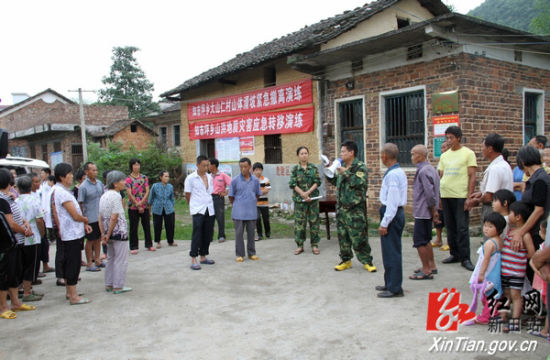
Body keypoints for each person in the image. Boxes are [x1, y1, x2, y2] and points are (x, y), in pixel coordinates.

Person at [325, 140, 376, 272]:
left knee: (359, 236)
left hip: (355, 210)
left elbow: (359, 182)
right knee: (343, 237)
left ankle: (367, 261)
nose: (341, 154)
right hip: (342, 209)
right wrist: (329, 171)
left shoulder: (360, 167)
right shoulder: (342, 166)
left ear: (351, 152)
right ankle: (346, 260)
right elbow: (337, 181)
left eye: (343, 151)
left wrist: (345, 172)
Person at [438, 126, 477, 271]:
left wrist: (469, 197)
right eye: (446, 138)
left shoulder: (468, 154)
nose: (448, 141)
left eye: (451, 138)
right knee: (450, 226)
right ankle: (454, 254)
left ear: (458, 138)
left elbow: (472, 175)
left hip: (460, 195)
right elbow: (441, 176)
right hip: (446, 194)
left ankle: (465, 257)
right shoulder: (444, 156)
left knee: (462, 228)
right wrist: (440, 197)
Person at [53, 163, 92, 305]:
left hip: (69, 233)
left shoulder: (59, 190)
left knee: (70, 262)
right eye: (69, 174)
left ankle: (70, 292)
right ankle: (74, 296)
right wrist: (85, 219)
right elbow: (75, 215)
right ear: (62, 177)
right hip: (70, 234)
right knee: (73, 264)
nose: (71, 177)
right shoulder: (62, 192)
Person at [0, 168, 35, 319]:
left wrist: (24, 222)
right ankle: (3, 307)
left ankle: (16, 303)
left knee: (14, 273)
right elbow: (10, 223)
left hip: (16, 242)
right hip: (6, 243)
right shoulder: (1, 200)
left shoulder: (9, 196)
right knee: (4, 275)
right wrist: (24, 230)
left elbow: (16, 216)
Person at [512, 145, 550, 278]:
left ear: (522, 162)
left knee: (535, 271)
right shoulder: (536, 178)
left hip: (537, 232)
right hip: (533, 230)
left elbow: (539, 210)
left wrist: (520, 232)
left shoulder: (540, 180)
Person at [467, 133, 513, 239]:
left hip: (493, 209)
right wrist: (480, 193)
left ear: (490, 149)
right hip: (503, 209)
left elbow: (489, 196)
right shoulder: (504, 165)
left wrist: (476, 200)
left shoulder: (495, 168)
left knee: (491, 241)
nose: (482, 149)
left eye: (483, 146)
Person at [376, 143, 407, 298]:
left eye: (381, 154)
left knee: (392, 252)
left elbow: (393, 202)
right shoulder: (394, 172)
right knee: (388, 252)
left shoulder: (393, 175)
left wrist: (384, 223)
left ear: (385, 156)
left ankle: (395, 288)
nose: (381, 157)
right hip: (392, 213)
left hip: (392, 214)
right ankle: (389, 283)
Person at [501, 202, 535, 332]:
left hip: (516, 271)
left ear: (518, 217)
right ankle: (503, 316)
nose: (508, 215)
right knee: (505, 293)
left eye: (510, 213)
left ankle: (515, 321)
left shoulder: (525, 235)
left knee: (515, 295)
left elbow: (531, 253)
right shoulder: (509, 230)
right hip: (505, 269)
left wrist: (519, 258)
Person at [468, 212, 505, 325]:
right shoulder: (499, 241)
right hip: (495, 272)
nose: (486, 229)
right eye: (485, 225)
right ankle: (493, 313)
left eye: (490, 226)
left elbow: (486, 260)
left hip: (488, 273)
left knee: (487, 296)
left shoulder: (489, 243)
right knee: (491, 295)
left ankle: (485, 317)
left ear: (498, 229)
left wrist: (481, 274)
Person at [99, 171, 132, 294]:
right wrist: (108, 233)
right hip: (118, 231)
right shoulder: (116, 196)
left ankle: (109, 284)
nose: (124, 183)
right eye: (122, 181)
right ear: (115, 183)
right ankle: (118, 285)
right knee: (120, 259)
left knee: (111, 258)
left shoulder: (104, 196)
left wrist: (104, 233)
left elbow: (100, 217)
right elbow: (115, 216)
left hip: (108, 231)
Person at [409, 144, 439, 280]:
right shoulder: (430, 168)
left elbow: (429, 193)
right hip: (426, 210)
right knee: (426, 239)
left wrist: (433, 210)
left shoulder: (423, 171)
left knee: (420, 240)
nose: (412, 157)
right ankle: (431, 265)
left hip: (423, 211)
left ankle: (426, 270)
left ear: (420, 156)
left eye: (413, 154)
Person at [16, 176, 45, 302]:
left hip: (19, 237)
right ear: (31, 186)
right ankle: (27, 292)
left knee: (21, 264)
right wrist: (42, 233)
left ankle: (21, 289)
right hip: (33, 237)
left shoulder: (15, 201)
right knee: (31, 265)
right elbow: (39, 219)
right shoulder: (34, 200)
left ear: (18, 188)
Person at [185, 155, 216, 270]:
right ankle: (194, 258)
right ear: (197, 165)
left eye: (207, 165)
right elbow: (187, 194)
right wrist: (193, 206)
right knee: (197, 234)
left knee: (207, 234)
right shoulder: (191, 178)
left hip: (209, 209)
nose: (206, 167)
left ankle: (203, 256)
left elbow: (210, 192)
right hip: (198, 210)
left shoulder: (209, 177)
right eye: (204, 165)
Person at [289, 146, 321, 255]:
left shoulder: (313, 168)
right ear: (298, 155)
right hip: (300, 201)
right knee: (300, 223)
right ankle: (300, 245)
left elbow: (317, 181)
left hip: (312, 200)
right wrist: (303, 194)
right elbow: (292, 184)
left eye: (306, 153)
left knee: (314, 223)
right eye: (302, 153)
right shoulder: (295, 169)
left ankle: (315, 245)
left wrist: (308, 193)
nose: (304, 155)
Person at [229, 157, 262, 262]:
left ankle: (252, 253)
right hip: (238, 212)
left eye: (245, 167)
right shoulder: (234, 180)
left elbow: (257, 194)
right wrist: (239, 203)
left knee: (251, 233)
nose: (243, 169)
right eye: (241, 167)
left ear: (250, 167)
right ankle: (239, 254)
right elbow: (231, 196)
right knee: (239, 234)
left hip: (251, 212)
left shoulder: (255, 180)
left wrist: (250, 202)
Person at [78, 162, 104, 272]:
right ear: (86, 172)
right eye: (92, 170)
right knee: (90, 240)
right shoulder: (83, 187)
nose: (95, 172)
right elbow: (80, 204)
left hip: (99, 217)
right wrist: (84, 220)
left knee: (98, 239)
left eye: (96, 170)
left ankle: (97, 260)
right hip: (89, 217)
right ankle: (89, 263)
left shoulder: (99, 183)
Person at [126, 158, 154, 254]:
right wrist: (137, 204)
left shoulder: (144, 177)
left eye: (138, 164)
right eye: (135, 165)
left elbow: (147, 190)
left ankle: (149, 244)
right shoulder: (128, 179)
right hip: (133, 206)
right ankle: (133, 246)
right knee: (133, 226)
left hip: (144, 205)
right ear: (131, 166)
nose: (137, 167)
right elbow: (129, 193)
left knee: (146, 225)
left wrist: (142, 202)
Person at [149, 170, 176, 248]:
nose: (167, 178)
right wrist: (150, 209)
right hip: (157, 208)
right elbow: (151, 198)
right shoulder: (155, 186)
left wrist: (172, 206)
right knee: (157, 225)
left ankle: (170, 241)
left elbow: (172, 198)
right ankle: (158, 241)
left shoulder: (170, 186)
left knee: (170, 225)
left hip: (169, 208)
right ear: (161, 177)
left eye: (168, 176)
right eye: (165, 176)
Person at [209, 158, 231, 243]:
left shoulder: (223, 175)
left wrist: (226, 192)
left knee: (220, 217)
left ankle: (221, 236)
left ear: (214, 166)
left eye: (209, 165)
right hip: (209, 199)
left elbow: (232, 185)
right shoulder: (208, 176)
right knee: (209, 218)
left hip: (218, 198)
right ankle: (209, 236)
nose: (208, 166)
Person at [432, 140, 449, 250]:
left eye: (445, 147)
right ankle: (438, 239)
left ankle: (449, 241)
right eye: (442, 148)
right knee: (439, 215)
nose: (443, 150)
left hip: (448, 191)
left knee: (448, 218)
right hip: (439, 191)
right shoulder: (441, 161)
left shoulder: (451, 161)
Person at [253, 162, 271, 241]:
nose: (258, 171)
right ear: (253, 171)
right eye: (256, 170)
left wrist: (257, 192)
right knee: (257, 219)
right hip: (255, 204)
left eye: (259, 169)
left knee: (265, 218)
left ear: (262, 170)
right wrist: (260, 191)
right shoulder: (251, 180)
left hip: (264, 203)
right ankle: (259, 234)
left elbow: (267, 190)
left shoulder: (266, 179)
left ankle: (268, 233)